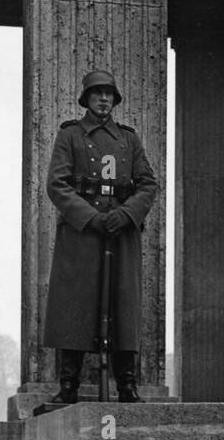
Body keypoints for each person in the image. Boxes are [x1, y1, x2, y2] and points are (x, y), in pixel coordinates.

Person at [43, 70, 158, 403]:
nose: (104, 99)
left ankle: (127, 386)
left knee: (123, 303)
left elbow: (148, 183)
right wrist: (89, 217)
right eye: (97, 94)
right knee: (74, 303)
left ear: (115, 100)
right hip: (83, 235)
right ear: (87, 100)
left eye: (109, 94)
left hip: (121, 233)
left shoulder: (129, 139)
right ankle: (68, 388)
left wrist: (126, 214)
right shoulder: (70, 136)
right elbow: (57, 184)